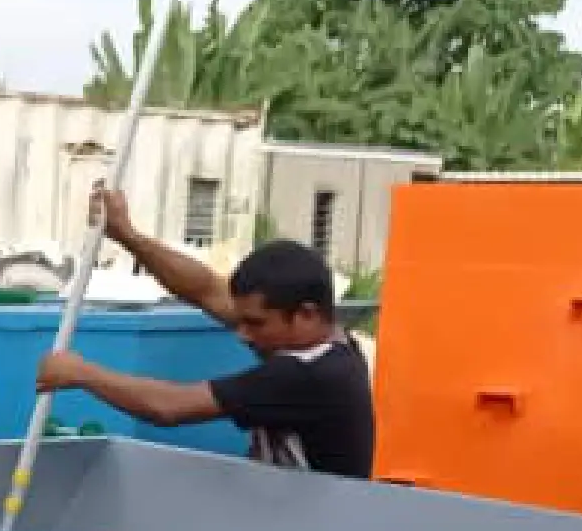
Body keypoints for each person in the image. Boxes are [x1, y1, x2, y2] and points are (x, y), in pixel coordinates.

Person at [33, 186, 376, 478]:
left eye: (255, 323)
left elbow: (169, 407)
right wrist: (128, 236)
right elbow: (206, 290)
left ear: (306, 314)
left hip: (316, 525)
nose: (242, 334)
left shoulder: (307, 374)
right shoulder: (323, 340)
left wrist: (81, 373)